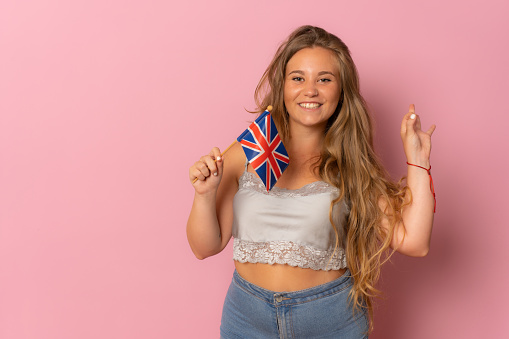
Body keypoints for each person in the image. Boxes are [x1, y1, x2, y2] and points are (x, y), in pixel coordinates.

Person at [187, 25, 436, 338]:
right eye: (298, 78)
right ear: (284, 86)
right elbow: (204, 247)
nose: (310, 90)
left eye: (324, 79)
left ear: (341, 90)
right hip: (246, 317)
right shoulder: (249, 151)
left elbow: (414, 242)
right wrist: (205, 195)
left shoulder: (353, 165)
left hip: (329, 320)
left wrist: (418, 160)